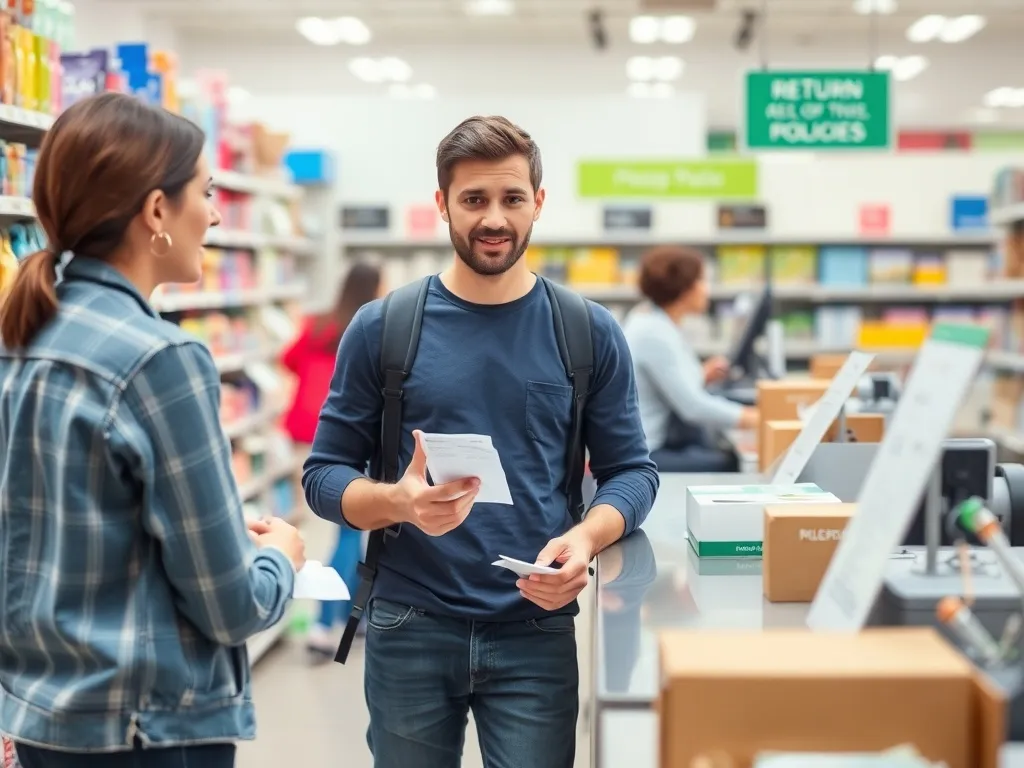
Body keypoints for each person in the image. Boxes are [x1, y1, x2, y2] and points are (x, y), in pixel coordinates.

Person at [303, 115, 659, 768]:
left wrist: (585, 540)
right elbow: (324, 475)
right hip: (408, 624)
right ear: (442, 205)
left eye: (511, 198)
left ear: (538, 204)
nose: (493, 218)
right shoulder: (383, 327)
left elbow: (633, 473)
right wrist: (398, 502)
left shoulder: (587, 332)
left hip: (536, 629)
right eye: (473, 200)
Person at [0, 93, 305, 768]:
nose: (218, 213)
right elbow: (231, 604)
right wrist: (279, 557)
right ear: (157, 211)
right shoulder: (160, 360)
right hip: (144, 732)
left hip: (38, 719)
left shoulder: (19, 337)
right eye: (207, 190)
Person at [281, 262, 384, 661]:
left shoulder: (319, 323)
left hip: (305, 432)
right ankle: (328, 623)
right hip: (352, 435)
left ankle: (345, 615)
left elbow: (288, 360)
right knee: (348, 532)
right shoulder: (373, 327)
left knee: (339, 531)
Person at [623, 245, 759, 473]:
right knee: (731, 463)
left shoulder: (653, 319)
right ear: (684, 288)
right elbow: (693, 407)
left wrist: (702, 374)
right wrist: (754, 418)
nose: (706, 289)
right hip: (648, 452)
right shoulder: (653, 333)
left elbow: (668, 379)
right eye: (701, 281)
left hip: (656, 441)